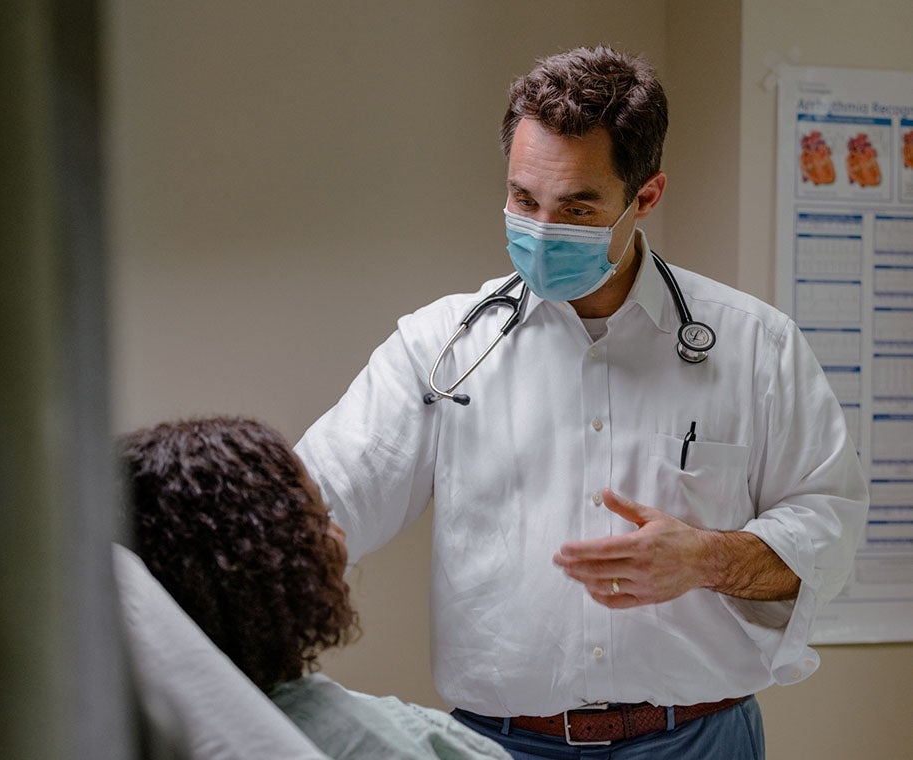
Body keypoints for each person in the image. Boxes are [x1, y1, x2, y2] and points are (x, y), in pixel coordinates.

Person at [293, 44, 869, 759]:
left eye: (575, 206)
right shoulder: (440, 348)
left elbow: (830, 525)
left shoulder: (757, 348)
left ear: (646, 196)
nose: (539, 228)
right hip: (501, 745)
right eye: (523, 199)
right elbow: (321, 499)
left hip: (697, 740)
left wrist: (708, 558)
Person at [118, 416, 512, 760]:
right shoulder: (410, 743)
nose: (340, 535)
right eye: (319, 518)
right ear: (265, 563)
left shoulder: (130, 733)